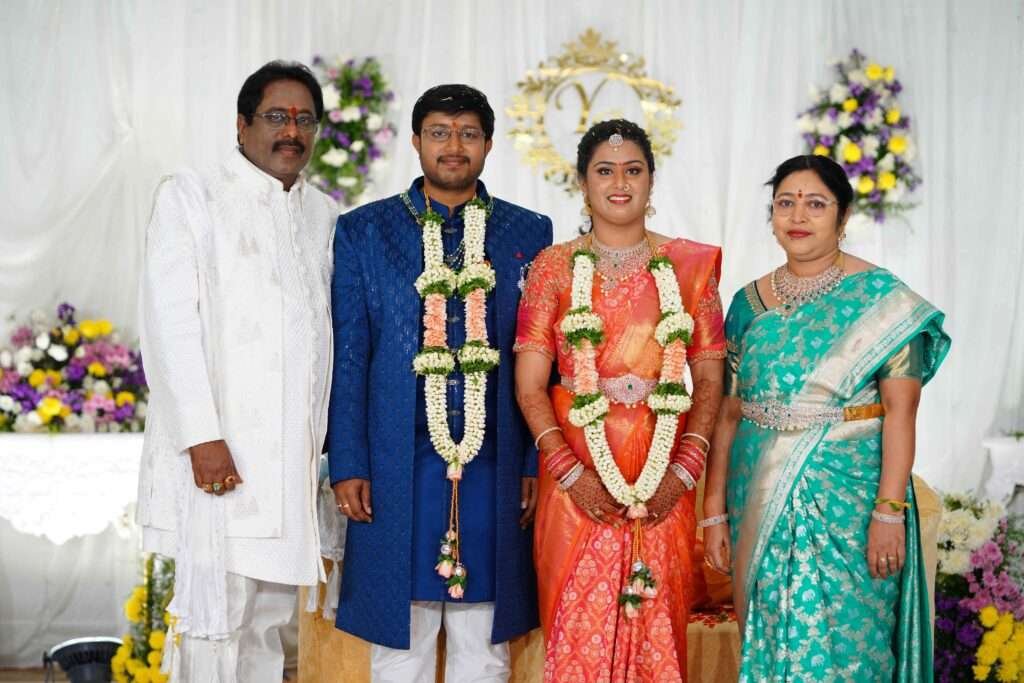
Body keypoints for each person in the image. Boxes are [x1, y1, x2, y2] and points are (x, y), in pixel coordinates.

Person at [327, 84, 551, 682]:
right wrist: (348, 462)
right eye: (440, 133)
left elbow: (540, 356)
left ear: (489, 144)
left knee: (485, 644)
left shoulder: (528, 232)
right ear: (416, 141)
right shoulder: (364, 231)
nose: (454, 146)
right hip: (393, 460)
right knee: (400, 646)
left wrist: (533, 460)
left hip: (495, 463)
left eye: (468, 134)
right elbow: (350, 354)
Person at [701, 154, 951, 681]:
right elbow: (727, 413)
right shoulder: (747, 304)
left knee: (851, 647)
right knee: (768, 636)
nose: (798, 216)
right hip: (757, 495)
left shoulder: (882, 300)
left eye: (816, 204)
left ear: (843, 216)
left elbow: (901, 413)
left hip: (850, 506)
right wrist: (713, 512)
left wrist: (888, 513)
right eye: (785, 203)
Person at [137, 60, 336, 682]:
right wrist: (202, 437)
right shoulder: (192, 195)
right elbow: (169, 324)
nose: (292, 131)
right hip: (220, 461)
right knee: (214, 622)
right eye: (277, 116)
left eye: (305, 120)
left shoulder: (322, 214)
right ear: (242, 125)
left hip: (290, 471)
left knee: (269, 627)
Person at [515, 119, 726, 681]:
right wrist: (569, 472)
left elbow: (709, 380)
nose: (620, 183)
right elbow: (529, 383)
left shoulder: (690, 267)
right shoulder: (553, 267)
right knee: (574, 631)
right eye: (605, 171)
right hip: (575, 475)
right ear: (583, 183)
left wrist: (682, 472)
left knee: (658, 632)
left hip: (665, 473)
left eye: (633, 170)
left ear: (651, 181)